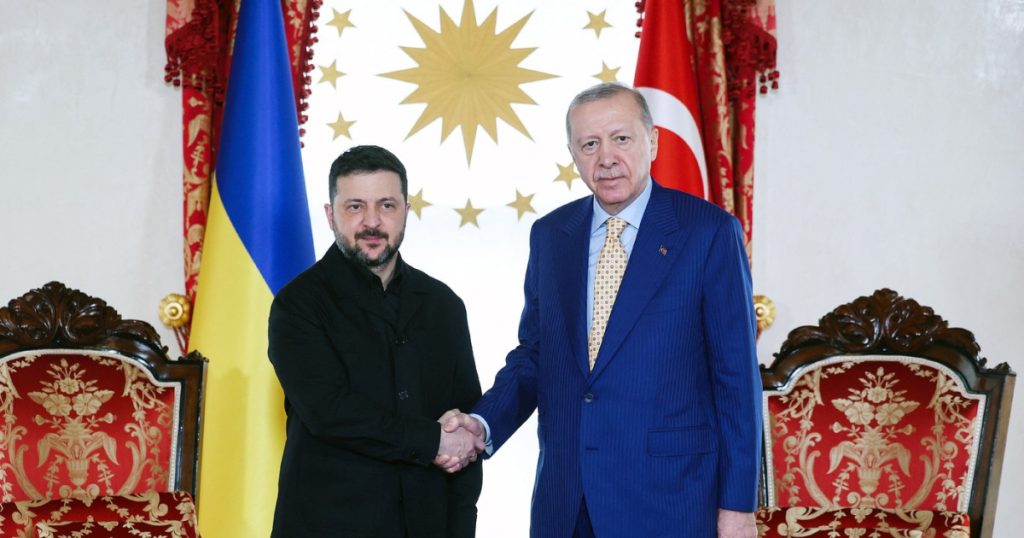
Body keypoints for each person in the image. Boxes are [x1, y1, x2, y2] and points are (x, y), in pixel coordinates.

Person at [443, 83, 762, 537]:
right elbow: (536, 355)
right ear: (573, 154)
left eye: (621, 138)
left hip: (671, 501)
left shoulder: (708, 232)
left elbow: (736, 381)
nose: (606, 158)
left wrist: (738, 507)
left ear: (653, 141)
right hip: (567, 501)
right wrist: (482, 423)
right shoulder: (551, 235)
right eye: (589, 144)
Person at [268, 145, 484, 537]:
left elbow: (464, 430)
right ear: (330, 215)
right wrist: (432, 441)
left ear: (406, 210)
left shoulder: (444, 305)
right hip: (326, 527)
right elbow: (329, 411)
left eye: (386, 205)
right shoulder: (297, 305)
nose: (372, 222)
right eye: (355, 207)